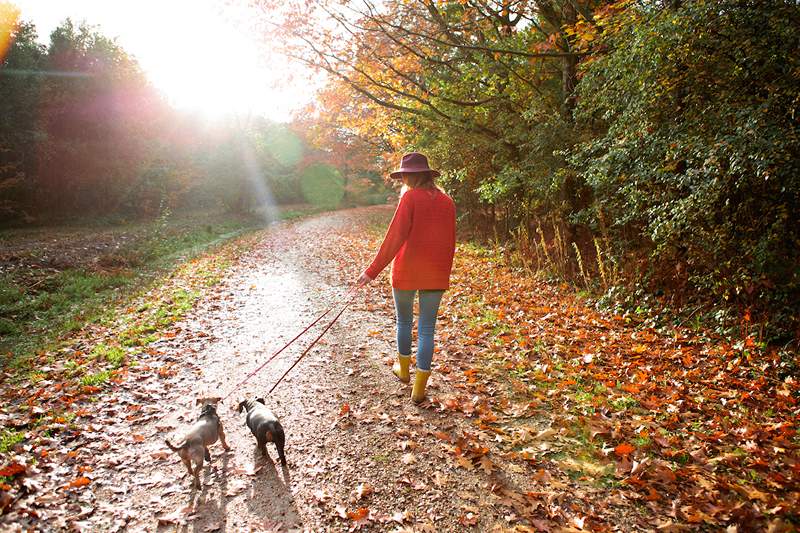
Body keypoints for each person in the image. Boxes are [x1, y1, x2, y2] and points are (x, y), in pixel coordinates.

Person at [357, 152, 456, 403]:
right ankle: (419, 389)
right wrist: (443, 272)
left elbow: (394, 238)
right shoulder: (448, 202)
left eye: (405, 176)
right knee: (426, 329)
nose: (405, 180)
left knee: (404, 322)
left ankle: (403, 371)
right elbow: (449, 243)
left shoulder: (410, 198)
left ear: (412, 177)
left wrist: (371, 271)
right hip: (435, 273)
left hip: (407, 271)